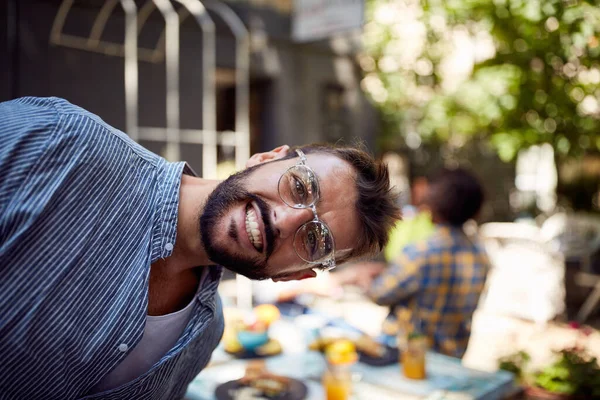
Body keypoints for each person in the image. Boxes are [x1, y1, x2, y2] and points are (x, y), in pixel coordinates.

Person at [0, 97, 401, 399]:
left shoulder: (204, 336)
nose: (283, 220)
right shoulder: (60, 142)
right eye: (300, 186)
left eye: (315, 239)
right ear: (266, 158)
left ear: (293, 275)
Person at [338, 166, 488, 358]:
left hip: (407, 357)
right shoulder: (480, 253)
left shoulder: (423, 251)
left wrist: (363, 276)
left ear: (434, 203)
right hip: (451, 357)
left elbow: (379, 294)